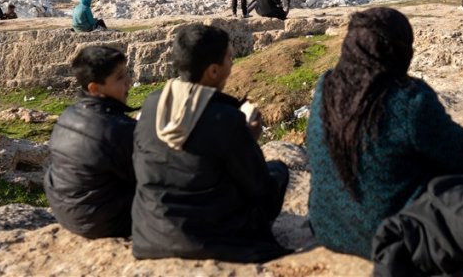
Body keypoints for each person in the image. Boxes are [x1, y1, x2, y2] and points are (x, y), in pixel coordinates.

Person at [307, 8, 463, 259]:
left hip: (328, 230)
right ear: (400, 51)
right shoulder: (408, 99)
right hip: (395, 236)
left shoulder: (325, 87)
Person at [132, 24, 289, 262]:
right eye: (229, 58)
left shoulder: (152, 104)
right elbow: (260, 189)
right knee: (278, 172)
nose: (232, 63)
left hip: (151, 233)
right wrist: (249, 141)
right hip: (212, 238)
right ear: (213, 71)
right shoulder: (224, 118)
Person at [44, 46, 136, 238]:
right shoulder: (117, 129)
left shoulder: (69, 114)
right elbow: (146, 176)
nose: (129, 81)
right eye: (120, 77)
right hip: (102, 222)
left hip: (65, 212)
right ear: (95, 88)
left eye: (126, 74)